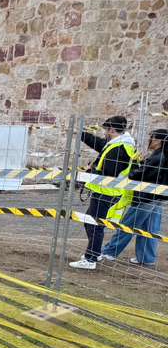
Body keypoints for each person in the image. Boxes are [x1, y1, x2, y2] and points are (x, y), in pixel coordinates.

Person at [69, 116, 138, 270]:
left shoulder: (120, 147)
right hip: (103, 191)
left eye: (106, 130)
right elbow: (100, 145)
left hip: (107, 192)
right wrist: (82, 134)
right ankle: (95, 252)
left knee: (95, 225)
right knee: (90, 222)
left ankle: (90, 258)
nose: (105, 133)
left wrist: (91, 170)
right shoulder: (117, 144)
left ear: (112, 130)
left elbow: (110, 171)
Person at [102, 129, 168, 267]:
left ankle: (110, 252)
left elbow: (139, 175)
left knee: (127, 226)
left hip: (144, 198)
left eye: (152, 137)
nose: (150, 140)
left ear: (159, 141)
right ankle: (146, 258)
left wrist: (137, 164)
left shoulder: (157, 157)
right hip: (157, 198)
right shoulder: (163, 156)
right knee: (150, 230)